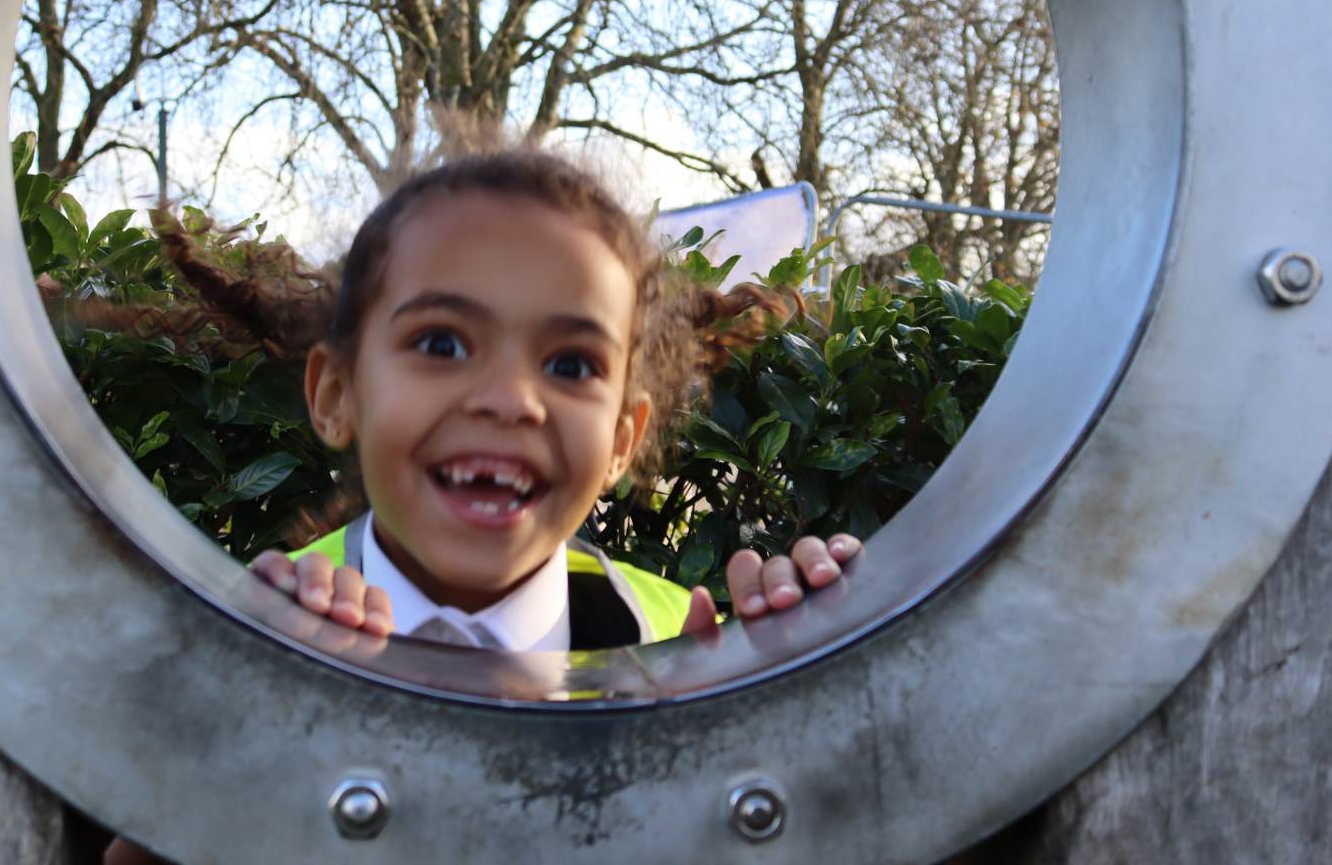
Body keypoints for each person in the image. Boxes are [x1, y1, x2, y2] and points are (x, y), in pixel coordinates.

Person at [228, 148, 862, 648]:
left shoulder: (679, 640)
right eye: (442, 344)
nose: (511, 400)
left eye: (570, 364)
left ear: (621, 441)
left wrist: (783, 688)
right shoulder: (262, 630)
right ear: (336, 394)